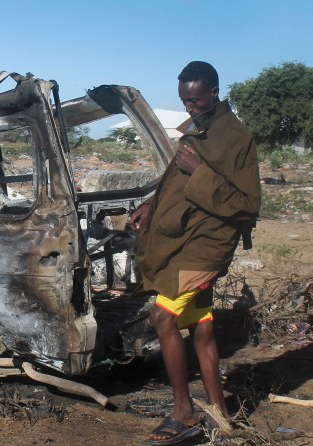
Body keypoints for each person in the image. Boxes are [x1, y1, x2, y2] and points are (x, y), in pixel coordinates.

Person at [128, 61, 261, 445]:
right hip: (185, 238)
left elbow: (247, 204)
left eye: (195, 99)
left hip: (210, 245)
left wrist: (201, 170)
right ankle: (220, 414)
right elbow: (175, 178)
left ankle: (183, 411)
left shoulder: (237, 138)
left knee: (163, 315)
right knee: (201, 324)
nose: (189, 107)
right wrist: (151, 205)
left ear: (215, 92)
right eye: (184, 100)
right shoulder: (196, 127)